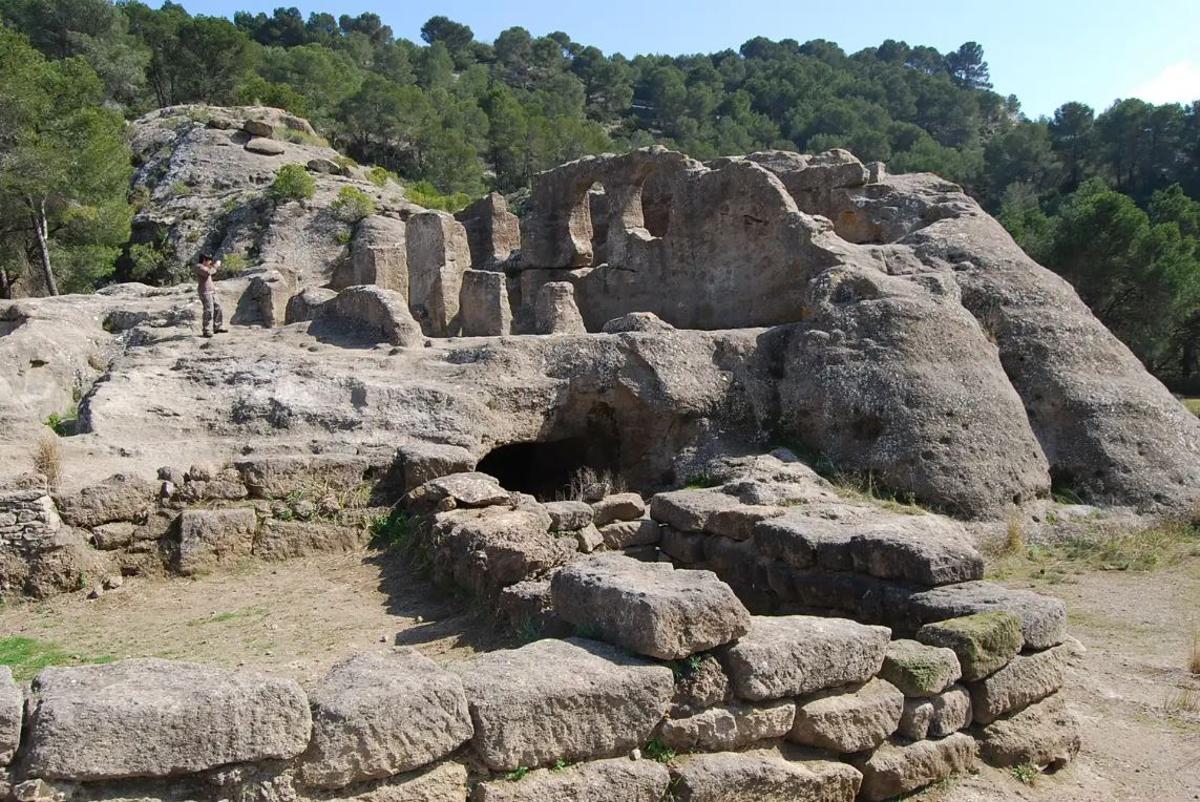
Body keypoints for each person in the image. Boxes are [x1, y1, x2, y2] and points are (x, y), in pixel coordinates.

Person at [195, 253, 225, 337]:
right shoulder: (199, 267)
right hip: (205, 292)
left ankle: (217, 326)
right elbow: (208, 272)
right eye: (209, 260)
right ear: (204, 260)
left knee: (218, 308)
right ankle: (207, 330)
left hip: (212, 291)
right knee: (208, 311)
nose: (210, 262)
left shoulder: (206, 266)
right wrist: (216, 266)